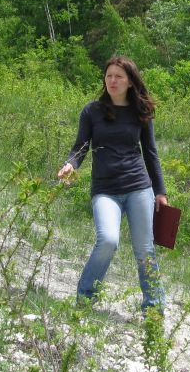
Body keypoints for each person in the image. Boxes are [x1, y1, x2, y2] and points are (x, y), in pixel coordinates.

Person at [58, 56, 168, 312]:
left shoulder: (141, 112)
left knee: (145, 250)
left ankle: (153, 308)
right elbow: (80, 147)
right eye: (109, 76)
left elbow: (150, 153)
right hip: (105, 189)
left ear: (130, 81)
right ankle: (86, 297)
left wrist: (160, 191)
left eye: (119, 76)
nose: (112, 81)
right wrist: (70, 165)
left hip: (139, 187)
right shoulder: (92, 111)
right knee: (108, 240)